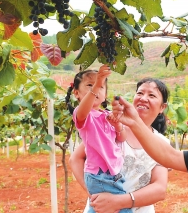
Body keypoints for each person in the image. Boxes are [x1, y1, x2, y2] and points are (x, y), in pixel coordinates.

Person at [69, 78, 171, 213]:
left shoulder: (162, 143)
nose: (143, 98)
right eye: (140, 93)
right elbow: (75, 159)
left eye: (151, 95)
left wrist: (118, 202)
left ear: (162, 107)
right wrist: (93, 194)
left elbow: (159, 188)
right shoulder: (112, 126)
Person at [65, 64, 130, 213]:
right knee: (121, 209)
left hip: (113, 173)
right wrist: (98, 84)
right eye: (90, 85)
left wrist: (118, 125)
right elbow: (83, 111)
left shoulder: (106, 115)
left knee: (103, 208)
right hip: (100, 175)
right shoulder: (83, 115)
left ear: (105, 94)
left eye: (101, 87)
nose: (96, 88)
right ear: (76, 93)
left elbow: (122, 138)